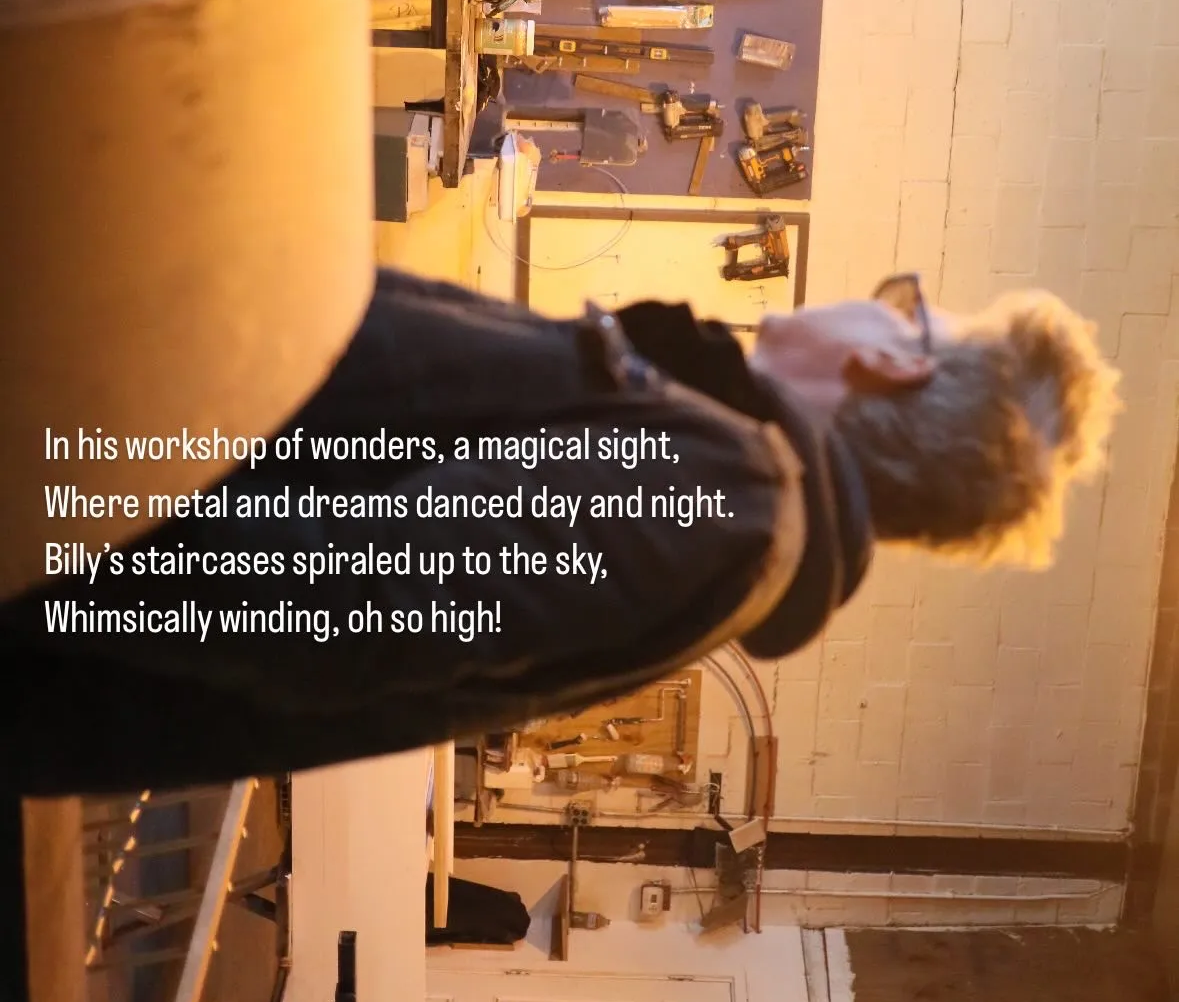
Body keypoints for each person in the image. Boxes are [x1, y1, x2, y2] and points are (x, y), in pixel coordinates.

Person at [1, 269, 1119, 794]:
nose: (870, 294)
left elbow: (332, 591)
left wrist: (47, 538)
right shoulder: (728, 472)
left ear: (896, 360)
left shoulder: (731, 497)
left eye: (899, 295)